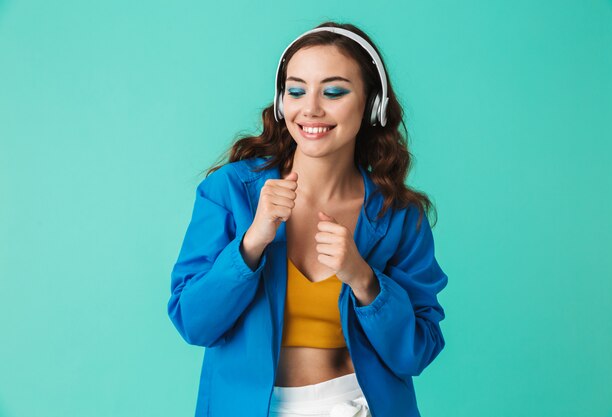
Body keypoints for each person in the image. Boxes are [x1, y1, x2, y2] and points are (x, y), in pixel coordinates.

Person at [167, 21, 448, 417]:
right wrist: (251, 244)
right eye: (296, 91)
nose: (311, 108)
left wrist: (364, 280)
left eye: (333, 92)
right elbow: (194, 322)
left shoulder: (400, 216)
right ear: (282, 104)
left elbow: (417, 351)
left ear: (372, 104)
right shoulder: (230, 191)